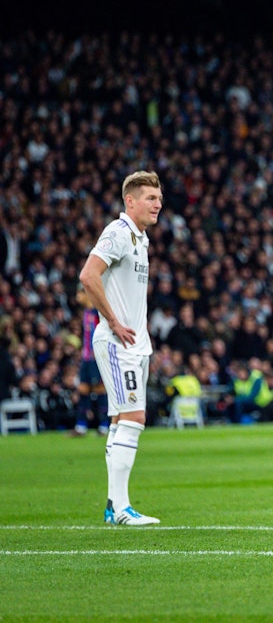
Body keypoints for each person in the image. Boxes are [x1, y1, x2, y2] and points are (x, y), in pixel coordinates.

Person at [78, 170, 162, 525]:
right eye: (150, 198)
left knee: (119, 421)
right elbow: (88, 275)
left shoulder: (140, 239)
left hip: (135, 344)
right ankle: (122, 508)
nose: (158, 204)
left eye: (159, 198)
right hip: (116, 342)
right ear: (131, 201)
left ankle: (115, 506)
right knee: (133, 418)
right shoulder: (118, 232)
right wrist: (111, 320)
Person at [69, 285, 110, 437]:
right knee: (83, 389)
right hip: (86, 357)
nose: (77, 296)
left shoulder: (97, 312)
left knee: (100, 390)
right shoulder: (86, 312)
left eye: (79, 292)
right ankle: (81, 427)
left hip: (97, 357)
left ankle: (104, 427)